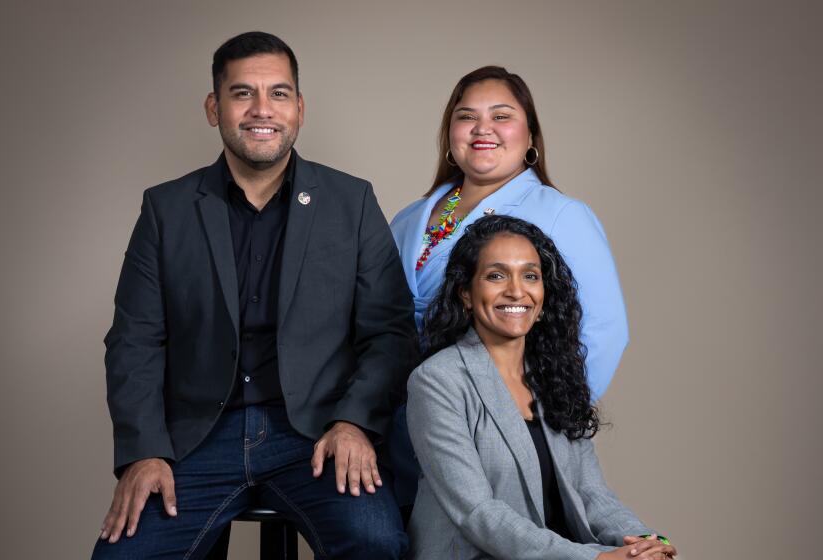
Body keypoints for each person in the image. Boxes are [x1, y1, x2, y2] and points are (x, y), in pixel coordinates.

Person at [92, 31, 415, 560]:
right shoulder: (166, 210)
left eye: (279, 94)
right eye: (242, 93)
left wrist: (354, 421)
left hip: (316, 435)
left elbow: (391, 331)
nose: (261, 109)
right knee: (122, 557)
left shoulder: (351, 202)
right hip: (196, 441)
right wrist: (144, 452)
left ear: (300, 108)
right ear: (213, 107)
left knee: (376, 541)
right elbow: (134, 341)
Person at [389, 65, 628, 508]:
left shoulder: (562, 215)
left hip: (494, 434)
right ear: (450, 133)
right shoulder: (410, 217)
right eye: (466, 116)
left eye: (501, 116)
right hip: (402, 427)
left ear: (531, 135)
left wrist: (536, 427)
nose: (483, 129)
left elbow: (605, 330)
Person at [406, 215, 676, 560]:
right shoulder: (437, 381)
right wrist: (594, 558)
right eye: (496, 275)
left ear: (544, 295)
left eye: (530, 276)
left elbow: (591, 492)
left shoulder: (554, 375)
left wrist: (645, 542)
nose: (516, 290)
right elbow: (478, 513)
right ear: (466, 294)